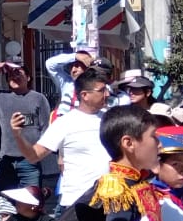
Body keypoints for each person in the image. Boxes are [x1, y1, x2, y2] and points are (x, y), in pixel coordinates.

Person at [9, 68, 111, 211]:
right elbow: (34, 156)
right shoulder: (65, 123)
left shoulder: (111, 118)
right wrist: (17, 135)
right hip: (79, 202)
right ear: (85, 95)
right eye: (102, 90)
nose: (107, 94)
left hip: (111, 200)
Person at [0, 63, 50, 194]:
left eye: (19, 73)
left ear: (28, 77)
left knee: (31, 203)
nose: (15, 77)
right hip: (4, 160)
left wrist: (38, 154)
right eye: (11, 74)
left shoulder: (38, 98)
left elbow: (45, 129)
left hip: (29, 161)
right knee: (6, 204)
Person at [43, 49, 94, 113]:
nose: (73, 70)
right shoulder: (66, 82)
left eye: (77, 66)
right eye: (71, 66)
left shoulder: (95, 87)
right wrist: (75, 56)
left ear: (87, 68)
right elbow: (49, 64)